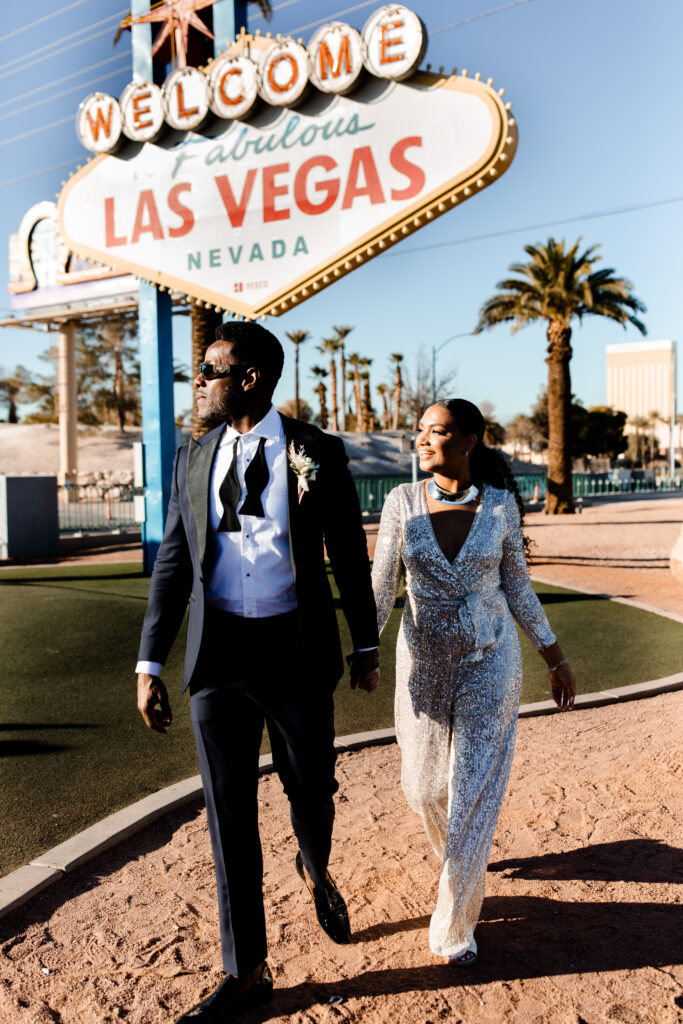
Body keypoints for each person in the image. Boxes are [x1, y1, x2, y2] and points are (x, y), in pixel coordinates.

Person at [135, 321, 379, 1022]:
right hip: (217, 661)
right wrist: (150, 660)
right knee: (227, 815)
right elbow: (173, 564)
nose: (200, 383)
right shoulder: (192, 455)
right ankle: (246, 969)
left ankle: (314, 862)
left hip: (294, 654)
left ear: (250, 379)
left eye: (210, 371)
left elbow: (346, 557)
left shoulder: (317, 452)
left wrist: (364, 644)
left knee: (313, 790)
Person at [371, 398, 576, 967]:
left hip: (492, 664)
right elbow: (381, 587)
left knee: (471, 798)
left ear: (468, 441)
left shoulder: (503, 508)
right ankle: (458, 861)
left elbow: (518, 589)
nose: (423, 441)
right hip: (424, 670)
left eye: (436, 432)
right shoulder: (400, 503)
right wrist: (364, 649)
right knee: (423, 789)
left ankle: (454, 925)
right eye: (420, 432)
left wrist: (554, 657)